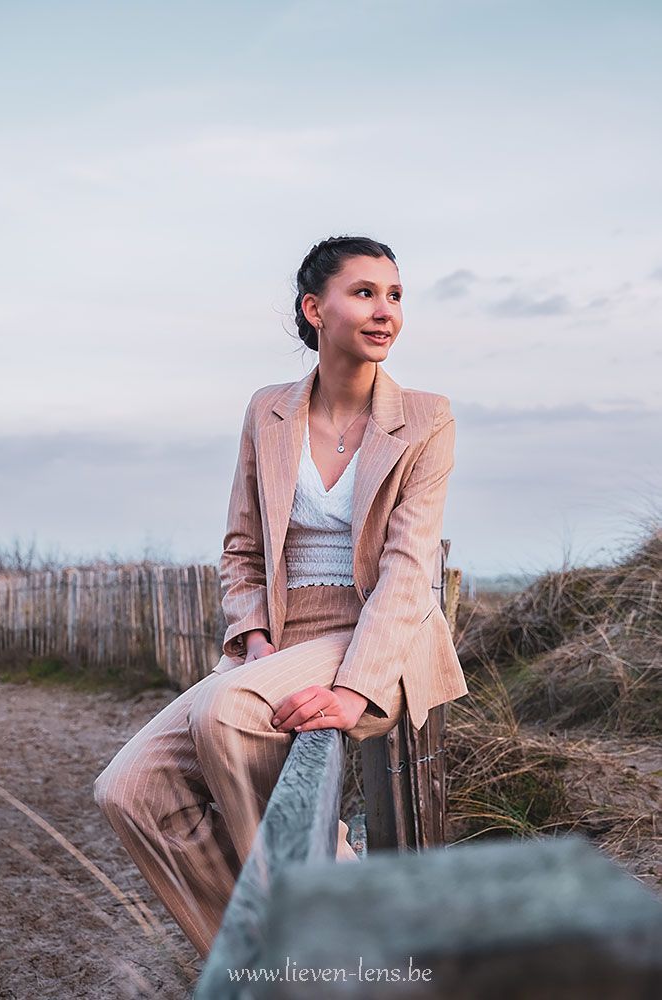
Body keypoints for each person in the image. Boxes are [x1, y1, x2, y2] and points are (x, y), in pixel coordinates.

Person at [93, 234, 469, 960]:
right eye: (363, 292)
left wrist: (357, 691)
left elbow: (405, 571)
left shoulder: (426, 417)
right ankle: (253, 966)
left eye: (394, 295)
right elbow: (239, 547)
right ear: (313, 308)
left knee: (227, 710)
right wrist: (256, 639)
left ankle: (330, 948)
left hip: (367, 636)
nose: (384, 310)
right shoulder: (267, 410)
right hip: (280, 641)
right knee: (129, 790)